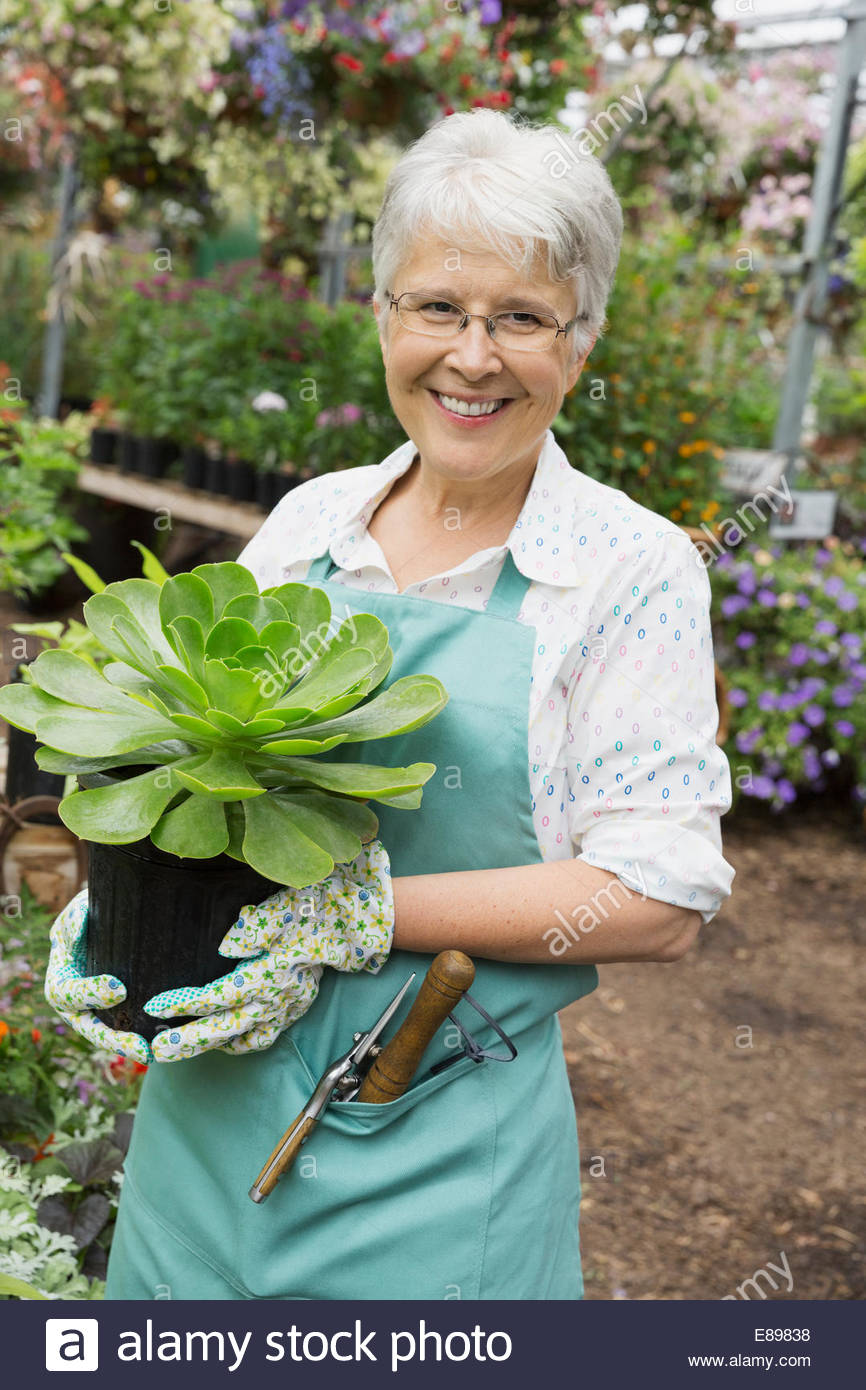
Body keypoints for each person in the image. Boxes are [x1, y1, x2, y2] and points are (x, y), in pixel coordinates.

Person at [45, 108, 734, 1300]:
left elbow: (655, 892)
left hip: (433, 1155)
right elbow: (180, 775)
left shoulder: (628, 571)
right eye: (437, 309)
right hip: (198, 1137)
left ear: (581, 342)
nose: (472, 356)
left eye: (520, 317)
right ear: (381, 315)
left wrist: (359, 910)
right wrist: (117, 915)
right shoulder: (311, 521)